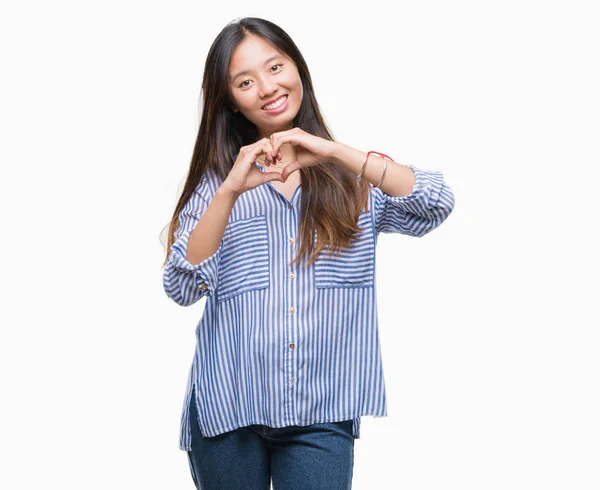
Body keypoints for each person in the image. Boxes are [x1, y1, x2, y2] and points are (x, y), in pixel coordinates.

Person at [161, 16, 455, 490]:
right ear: (231, 101)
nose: (266, 87)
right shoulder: (218, 187)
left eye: (275, 67)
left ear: (298, 67)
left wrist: (339, 153)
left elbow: (435, 203)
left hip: (322, 412)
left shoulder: (353, 178)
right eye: (245, 81)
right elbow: (179, 285)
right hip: (228, 408)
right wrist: (231, 189)